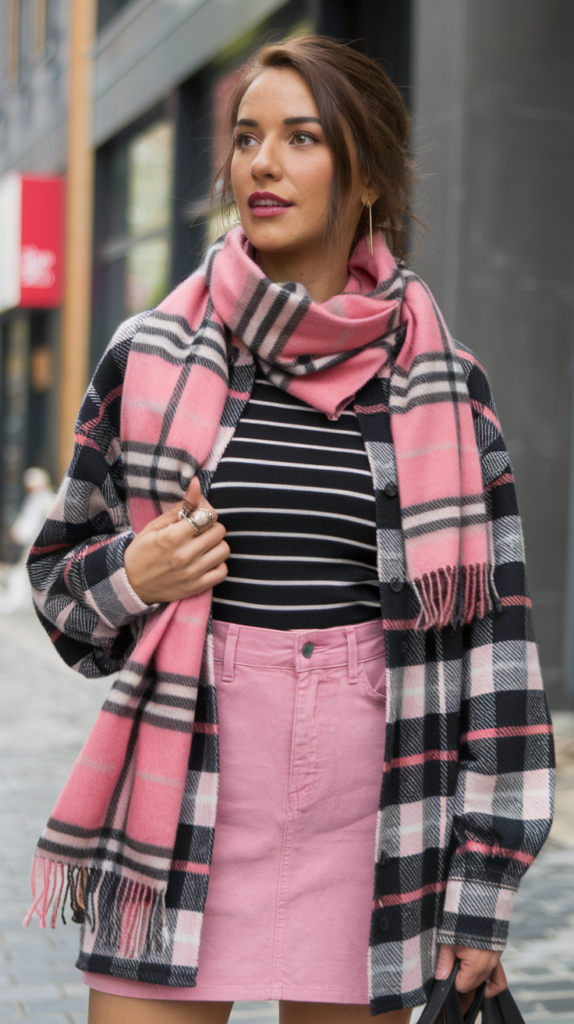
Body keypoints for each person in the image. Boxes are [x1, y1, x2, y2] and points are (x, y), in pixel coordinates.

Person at [25, 36, 553, 1024]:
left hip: (374, 803)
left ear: (365, 177)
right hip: (182, 783)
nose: (259, 163)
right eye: (244, 138)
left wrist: (480, 894)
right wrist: (135, 573)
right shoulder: (149, 353)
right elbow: (57, 587)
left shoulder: (442, 384)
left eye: (299, 137)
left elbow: (498, 656)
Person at [0, 467, 55, 614]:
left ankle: (13, 603)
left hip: (34, 545)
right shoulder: (49, 498)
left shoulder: (36, 500)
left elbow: (27, 526)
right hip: (47, 546)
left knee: (19, 574)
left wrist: (16, 534)